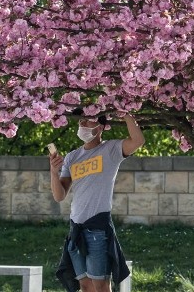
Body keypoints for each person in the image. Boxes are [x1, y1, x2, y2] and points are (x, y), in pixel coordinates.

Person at [50, 113, 145, 292]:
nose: (83, 123)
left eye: (88, 119)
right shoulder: (72, 157)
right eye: (81, 120)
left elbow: (138, 140)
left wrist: (125, 113)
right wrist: (53, 172)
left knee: (101, 286)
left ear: (100, 127)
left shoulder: (111, 149)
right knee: (85, 286)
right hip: (75, 229)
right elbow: (59, 196)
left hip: (97, 229)